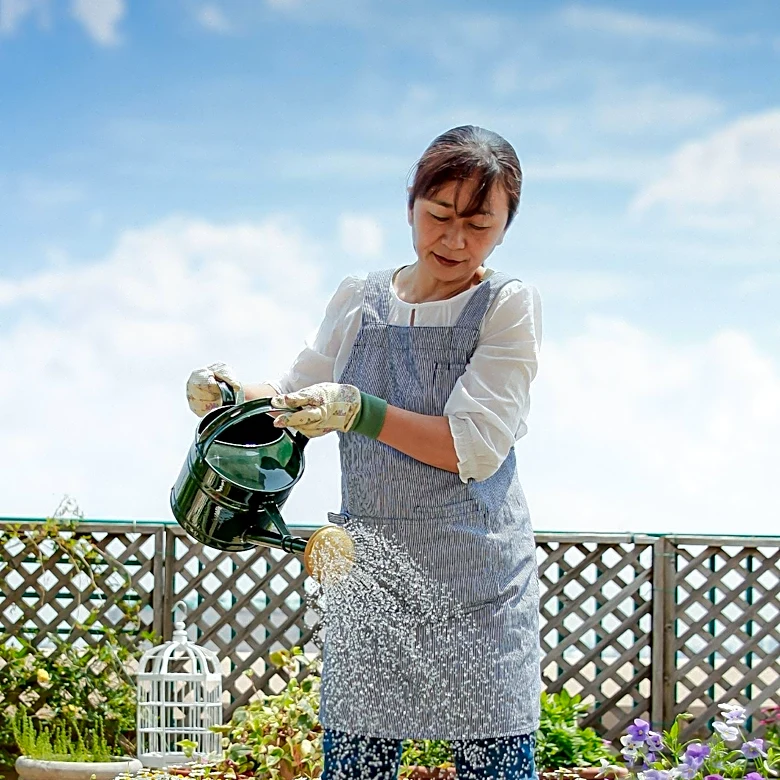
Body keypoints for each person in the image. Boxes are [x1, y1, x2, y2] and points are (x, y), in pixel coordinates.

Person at [186, 125, 543, 780]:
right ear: (411, 205)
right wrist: (232, 393)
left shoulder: (506, 306)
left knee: (494, 768)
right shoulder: (360, 299)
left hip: (479, 584)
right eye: (439, 216)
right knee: (353, 768)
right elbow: (296, 398)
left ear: (505, 225)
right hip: (373, 580)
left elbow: (474, 447)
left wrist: (360, 410)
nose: (455, 240)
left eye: (479, 224)